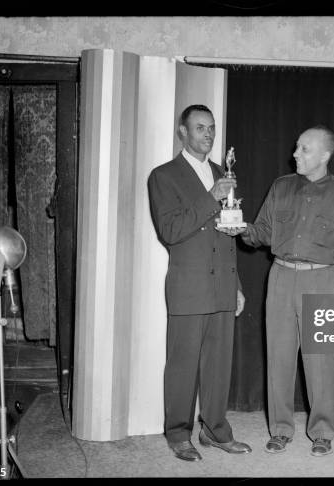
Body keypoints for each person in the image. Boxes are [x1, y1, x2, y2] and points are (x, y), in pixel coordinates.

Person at [219, 125, 334, 456]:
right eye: (297, 147)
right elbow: (263, 233)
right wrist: (241, 228)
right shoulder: (281, 187)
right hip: (281, 278)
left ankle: (323, 432)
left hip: (322, 280)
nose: (295, 153)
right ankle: (280, 429)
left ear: (325, 155)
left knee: (322, 362)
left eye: (304, 149)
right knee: (279, 357)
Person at [148, 104, 251, 462]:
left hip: (223, 285)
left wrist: (236, 285)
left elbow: (227, 235)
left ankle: (215, 430)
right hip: (189, 285)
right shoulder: (163, 176)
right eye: (199, 128)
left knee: (219, 364)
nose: (207, 135)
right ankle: (178, 433)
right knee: (183, 364)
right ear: (182, 132)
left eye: (211, 128)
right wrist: (212, 197)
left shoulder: (223, 172)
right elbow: (171, 231)